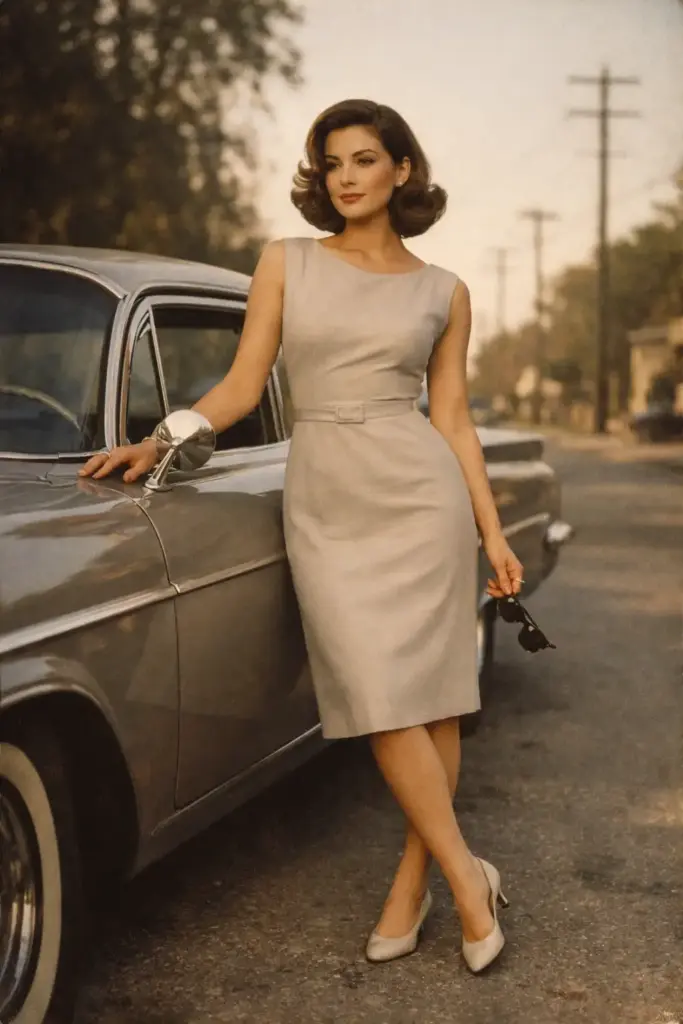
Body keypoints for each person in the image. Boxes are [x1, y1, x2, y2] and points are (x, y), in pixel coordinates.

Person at [80, 98, 524, 973]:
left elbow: (454, 420)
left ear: (402, 168)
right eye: (333, 163)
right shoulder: (286, 262)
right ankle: (469, 875)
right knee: (372, 690)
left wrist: (492, 531)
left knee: (429, 696)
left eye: (365, 159)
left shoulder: (445, 290)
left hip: (420, 492)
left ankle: (420, 882)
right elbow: (241, 389)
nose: (347, 176)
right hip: (326, 491)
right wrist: (161, 439)